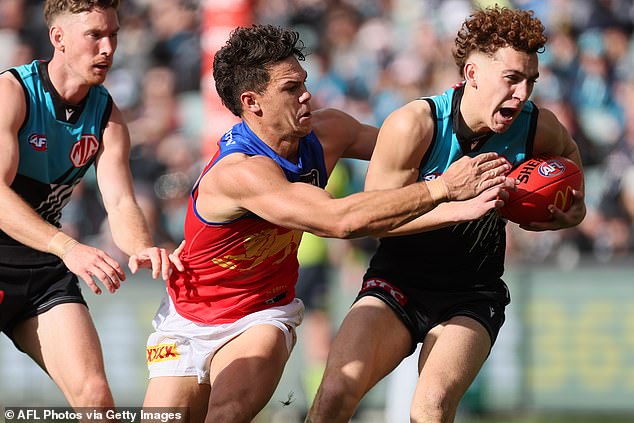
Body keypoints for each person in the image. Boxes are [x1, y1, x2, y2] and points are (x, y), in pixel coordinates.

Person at [142, 24, 515, 423]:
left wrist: (503, 147)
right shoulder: (240, 173)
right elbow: (340, 220)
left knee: (227, 413)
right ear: (252, 103)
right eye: (290, 89)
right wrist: (443, 190)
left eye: (304, 83)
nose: (306, 95)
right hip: (187, 317)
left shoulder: (329, 130)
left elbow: (418, 149)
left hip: (263, 313)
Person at [307, 6, 587, 423]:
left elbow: (573, 188)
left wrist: (563, 213)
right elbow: (369, 219)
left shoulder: (536, 128)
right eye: (511, 79)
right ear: (472, 74)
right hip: (396, 284)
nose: (523, 94)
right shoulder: (415, 124)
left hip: (472, 293)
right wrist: (453, 205)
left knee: (431, 408)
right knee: (333, 395)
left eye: (531, 81)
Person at [0, 0, 173, 409]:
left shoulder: (107, 115)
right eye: (95, 35)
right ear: (58, 38)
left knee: (96, 398)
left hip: (39, 270)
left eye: (113, 34)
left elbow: (120, 200)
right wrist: (68, 247)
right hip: (42, 250)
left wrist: (141, 247)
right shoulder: (13, 93)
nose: (108, 48)